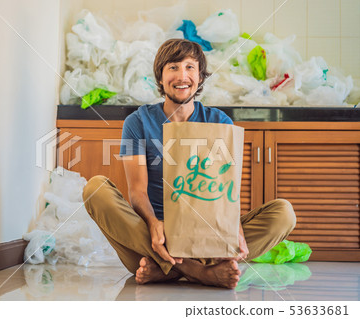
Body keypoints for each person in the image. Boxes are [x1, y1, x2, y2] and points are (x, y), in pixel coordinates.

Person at [83, 39, 296, 289]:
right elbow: (137, 191)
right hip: (153, 238)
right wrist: (154, 225)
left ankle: (166, 270)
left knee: (284, 213)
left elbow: (225, 190)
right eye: (173, 67)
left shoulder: (220, 123)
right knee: (94, 189)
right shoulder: (137, 122)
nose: (182, 75)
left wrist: (233, 228)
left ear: (200, 77)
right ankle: (198, 271)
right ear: (160, 78)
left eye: (190, 67)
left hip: (207, 237)